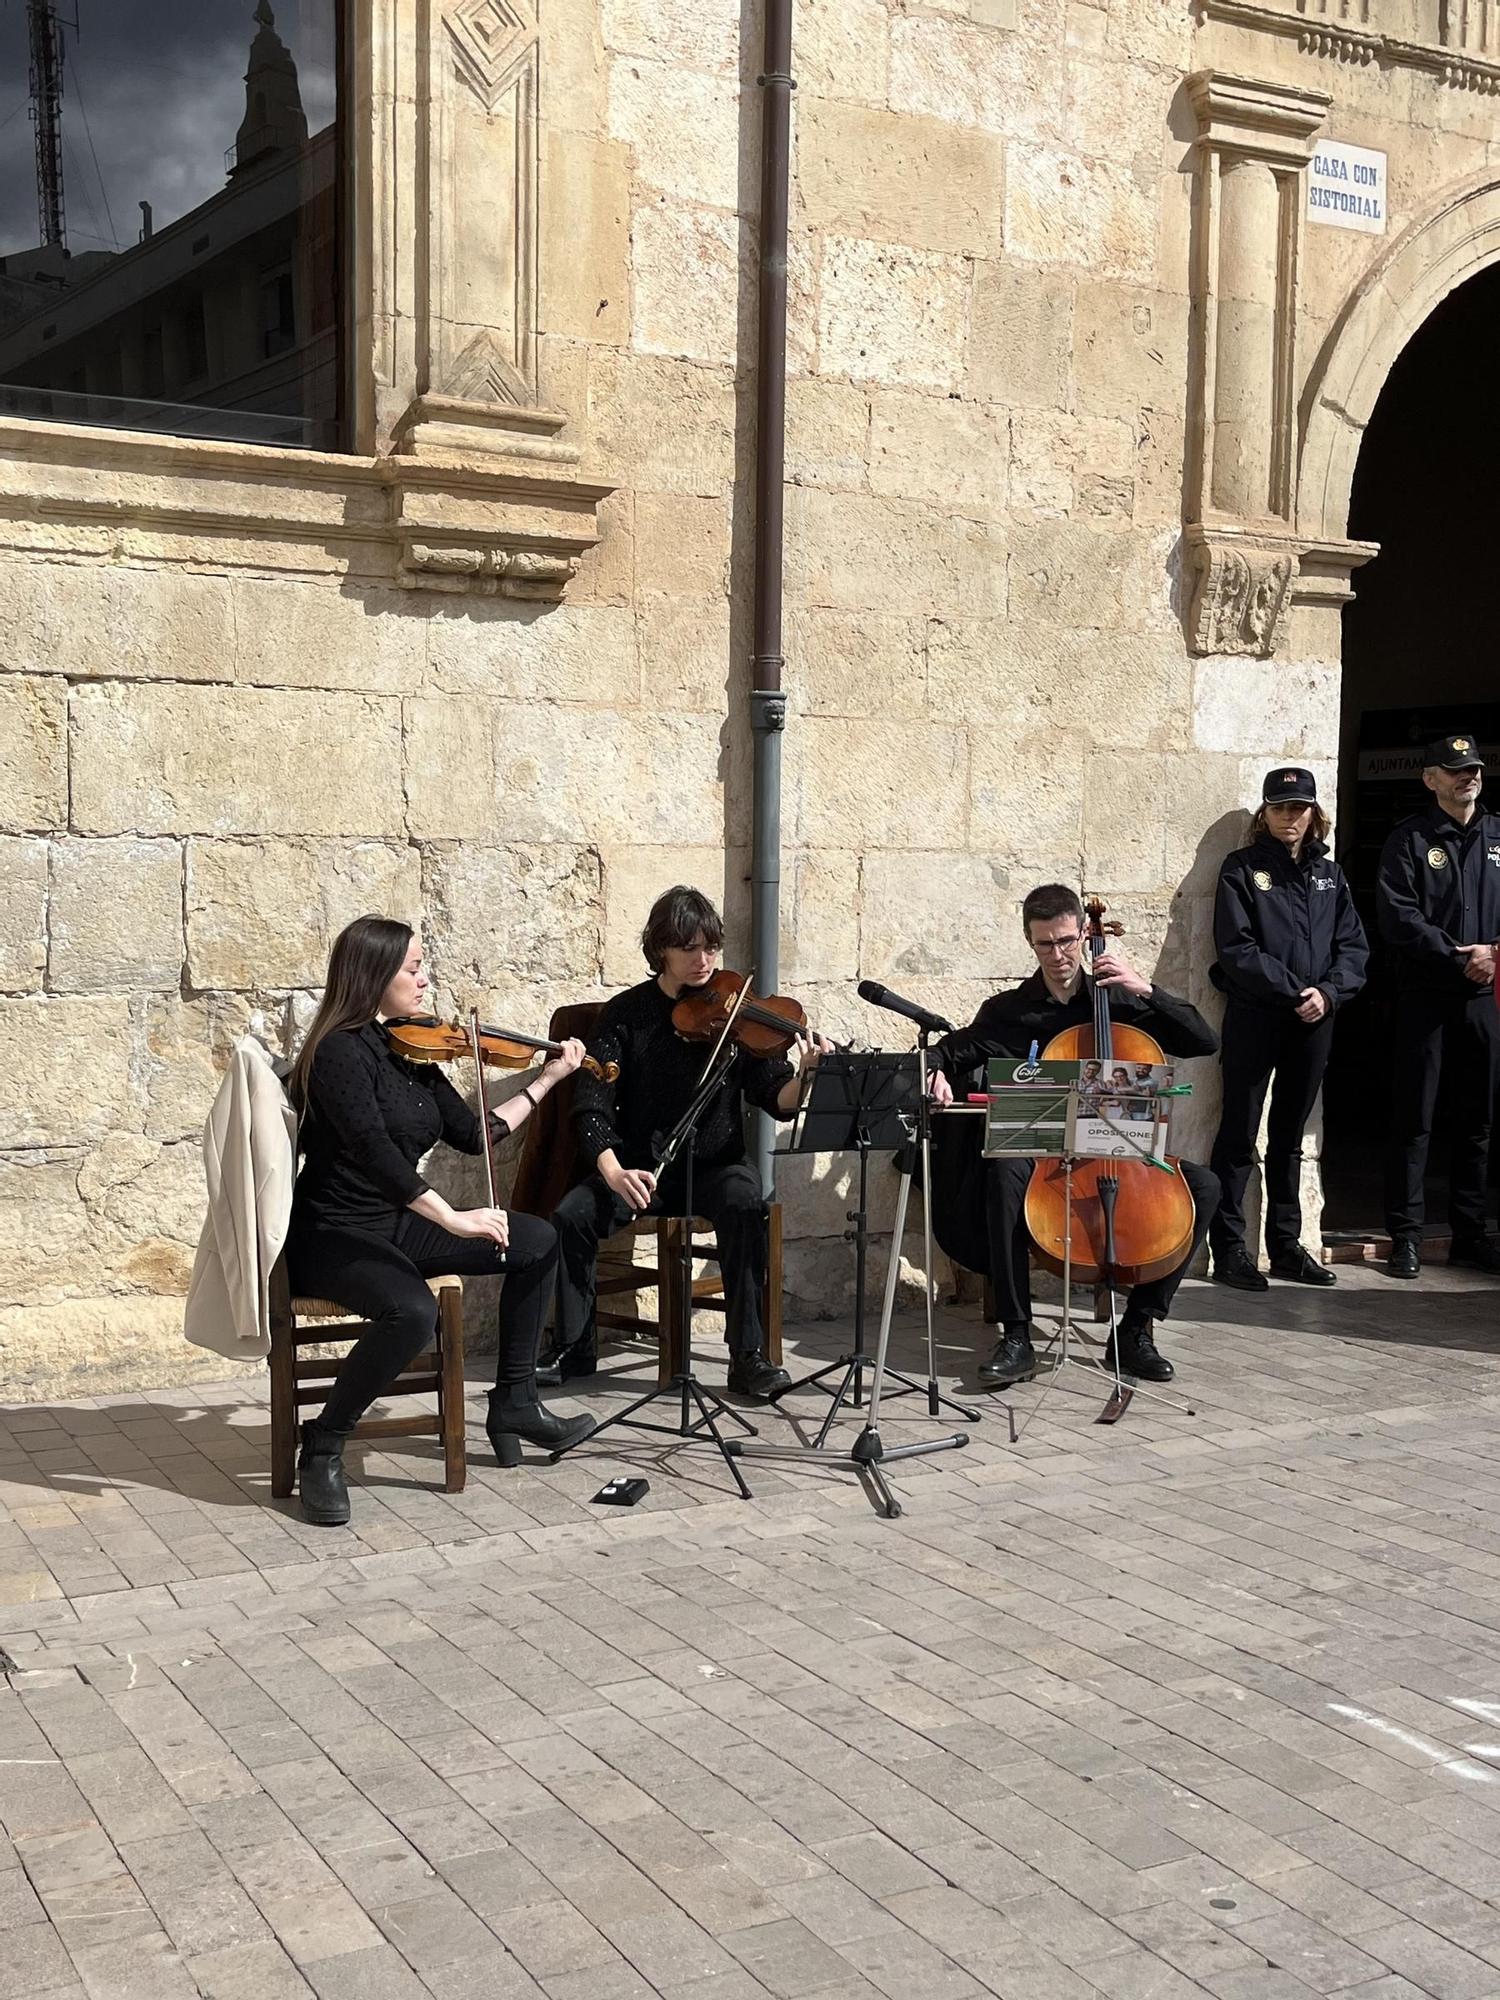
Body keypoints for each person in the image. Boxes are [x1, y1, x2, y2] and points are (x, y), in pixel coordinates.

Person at [285, 915, 595, 1525]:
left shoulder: (412, 1047)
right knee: (414, 1311)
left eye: (422, 967)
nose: (425, 980)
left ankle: (514, 1402)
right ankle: (322, 1444)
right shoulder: (338, 1053)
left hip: (396, 1223)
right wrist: (454, 1218)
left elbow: (475, 1135)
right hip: (333, 1231)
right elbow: (376, 1157)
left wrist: (551, 1077)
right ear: (374, 975)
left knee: (535, 1239)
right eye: (413, 969)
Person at [545, 886, 834, 1400]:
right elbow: (591, 1105)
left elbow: (777, 1096)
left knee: (747, 1204)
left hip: (717, 1164)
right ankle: (574, 1345)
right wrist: (614, 1173)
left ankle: (748, 1357)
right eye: (688, 949)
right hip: (641, 1166)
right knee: (572, 1214)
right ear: (660, 949)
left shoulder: (739, 1013)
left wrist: (807, 1075)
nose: (704, 961)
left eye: (712, 948)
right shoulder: (626, 1013)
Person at [928, 884, 1220, 1388]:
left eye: (1066, 941)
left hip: (1122, 1157)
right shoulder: (1010, 1012)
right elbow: (948, 1052)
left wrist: (1144, 988)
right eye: (1045, 944)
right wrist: (936, 1072)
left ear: (1085, 935)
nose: (1058, 955)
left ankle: (1136, 1330)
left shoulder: (1121, 1003)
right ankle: (1017, 1334)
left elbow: (1202, 1040)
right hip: (1045, 1158)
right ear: (1030, 941)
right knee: (1002, 1170)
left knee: (1206, 1187)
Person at [1208, 767, 1368, 1292]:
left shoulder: (1331, 875)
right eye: (1279, 808)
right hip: (1258, 1016)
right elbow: (1237, 948)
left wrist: (1328, 992)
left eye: (1299, 808)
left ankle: (1284, 1245)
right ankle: (1230, 1248)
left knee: (1289, 1139)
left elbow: (1353, 948)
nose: (1289, 817)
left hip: (1314, 1019)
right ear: (1265, 813)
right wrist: (1294, 990)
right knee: (1238, 1131)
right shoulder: (1242, 869)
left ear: (1314, 813)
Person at [1377, 732, 1500, 1279]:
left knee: (1479, 1121)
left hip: (1485, 997)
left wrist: (1494, 953)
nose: (1467, 776)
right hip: (1427, 995)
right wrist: (1459, 958)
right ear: (1430, 779)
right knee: (1415, 1118)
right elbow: (1398, 917)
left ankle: (1470, 1234)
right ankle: (1405, 1235)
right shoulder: (1409, 839)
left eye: (1473, 768)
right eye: (1455, 770)